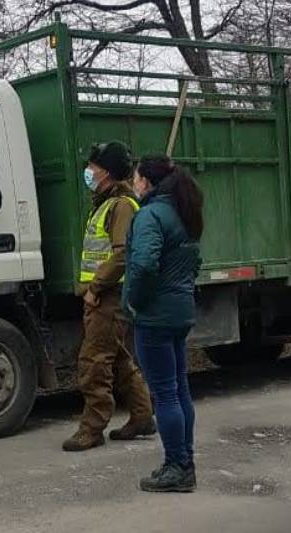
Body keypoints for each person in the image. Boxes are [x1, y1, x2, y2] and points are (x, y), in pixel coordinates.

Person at [62, 141, 155, 452]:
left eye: (94, 167)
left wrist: (95, 288)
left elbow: (121, 255)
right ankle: (142, 416)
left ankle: (92, 428)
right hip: (104, 295)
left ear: (108, 172)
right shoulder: (105, 203)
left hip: (108, 296)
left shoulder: (122, 206)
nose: (89, 171)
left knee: (94, 362)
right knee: (117, 360)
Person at [124, 154, 204, 493]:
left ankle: (177, 467)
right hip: (180, 312)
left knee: (165, 394)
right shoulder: (184, 212)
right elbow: (193, 262)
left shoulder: (150, 216)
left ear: (147, 182)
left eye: (136, 177)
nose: (133, 183)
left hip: (154, 316)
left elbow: (143, 265)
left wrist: (134, 302)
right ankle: (184, 461)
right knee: (179, 389)